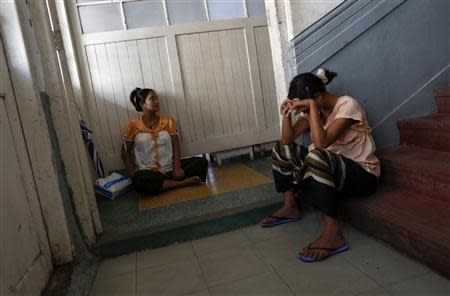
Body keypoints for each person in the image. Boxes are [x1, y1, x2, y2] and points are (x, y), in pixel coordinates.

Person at [260, 69, 380, 262]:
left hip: (362, 175)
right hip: (330, 172)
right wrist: (286, 115)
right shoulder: (315, 111)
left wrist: (311, 108)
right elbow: (286, 140)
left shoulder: (348, 105)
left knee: (317, 155)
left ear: (318, 97)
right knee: (282, 149)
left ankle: (333, 233)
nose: (305, 112)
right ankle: (290, 206)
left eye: (305, 107)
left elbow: (322, 143)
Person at [121, 87, 208, 196]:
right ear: (143, 104)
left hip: (170, 169)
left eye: (157, 98)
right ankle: (183, 183)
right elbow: (125, 152)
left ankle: (164, 184)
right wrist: (133, 172)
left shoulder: (168, 122)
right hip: (148, 173)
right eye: (152, 99)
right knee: (138, 181)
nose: (157, 101)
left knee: (202, 162)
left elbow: (176, 146)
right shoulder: (133, 126)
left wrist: (177, 168)